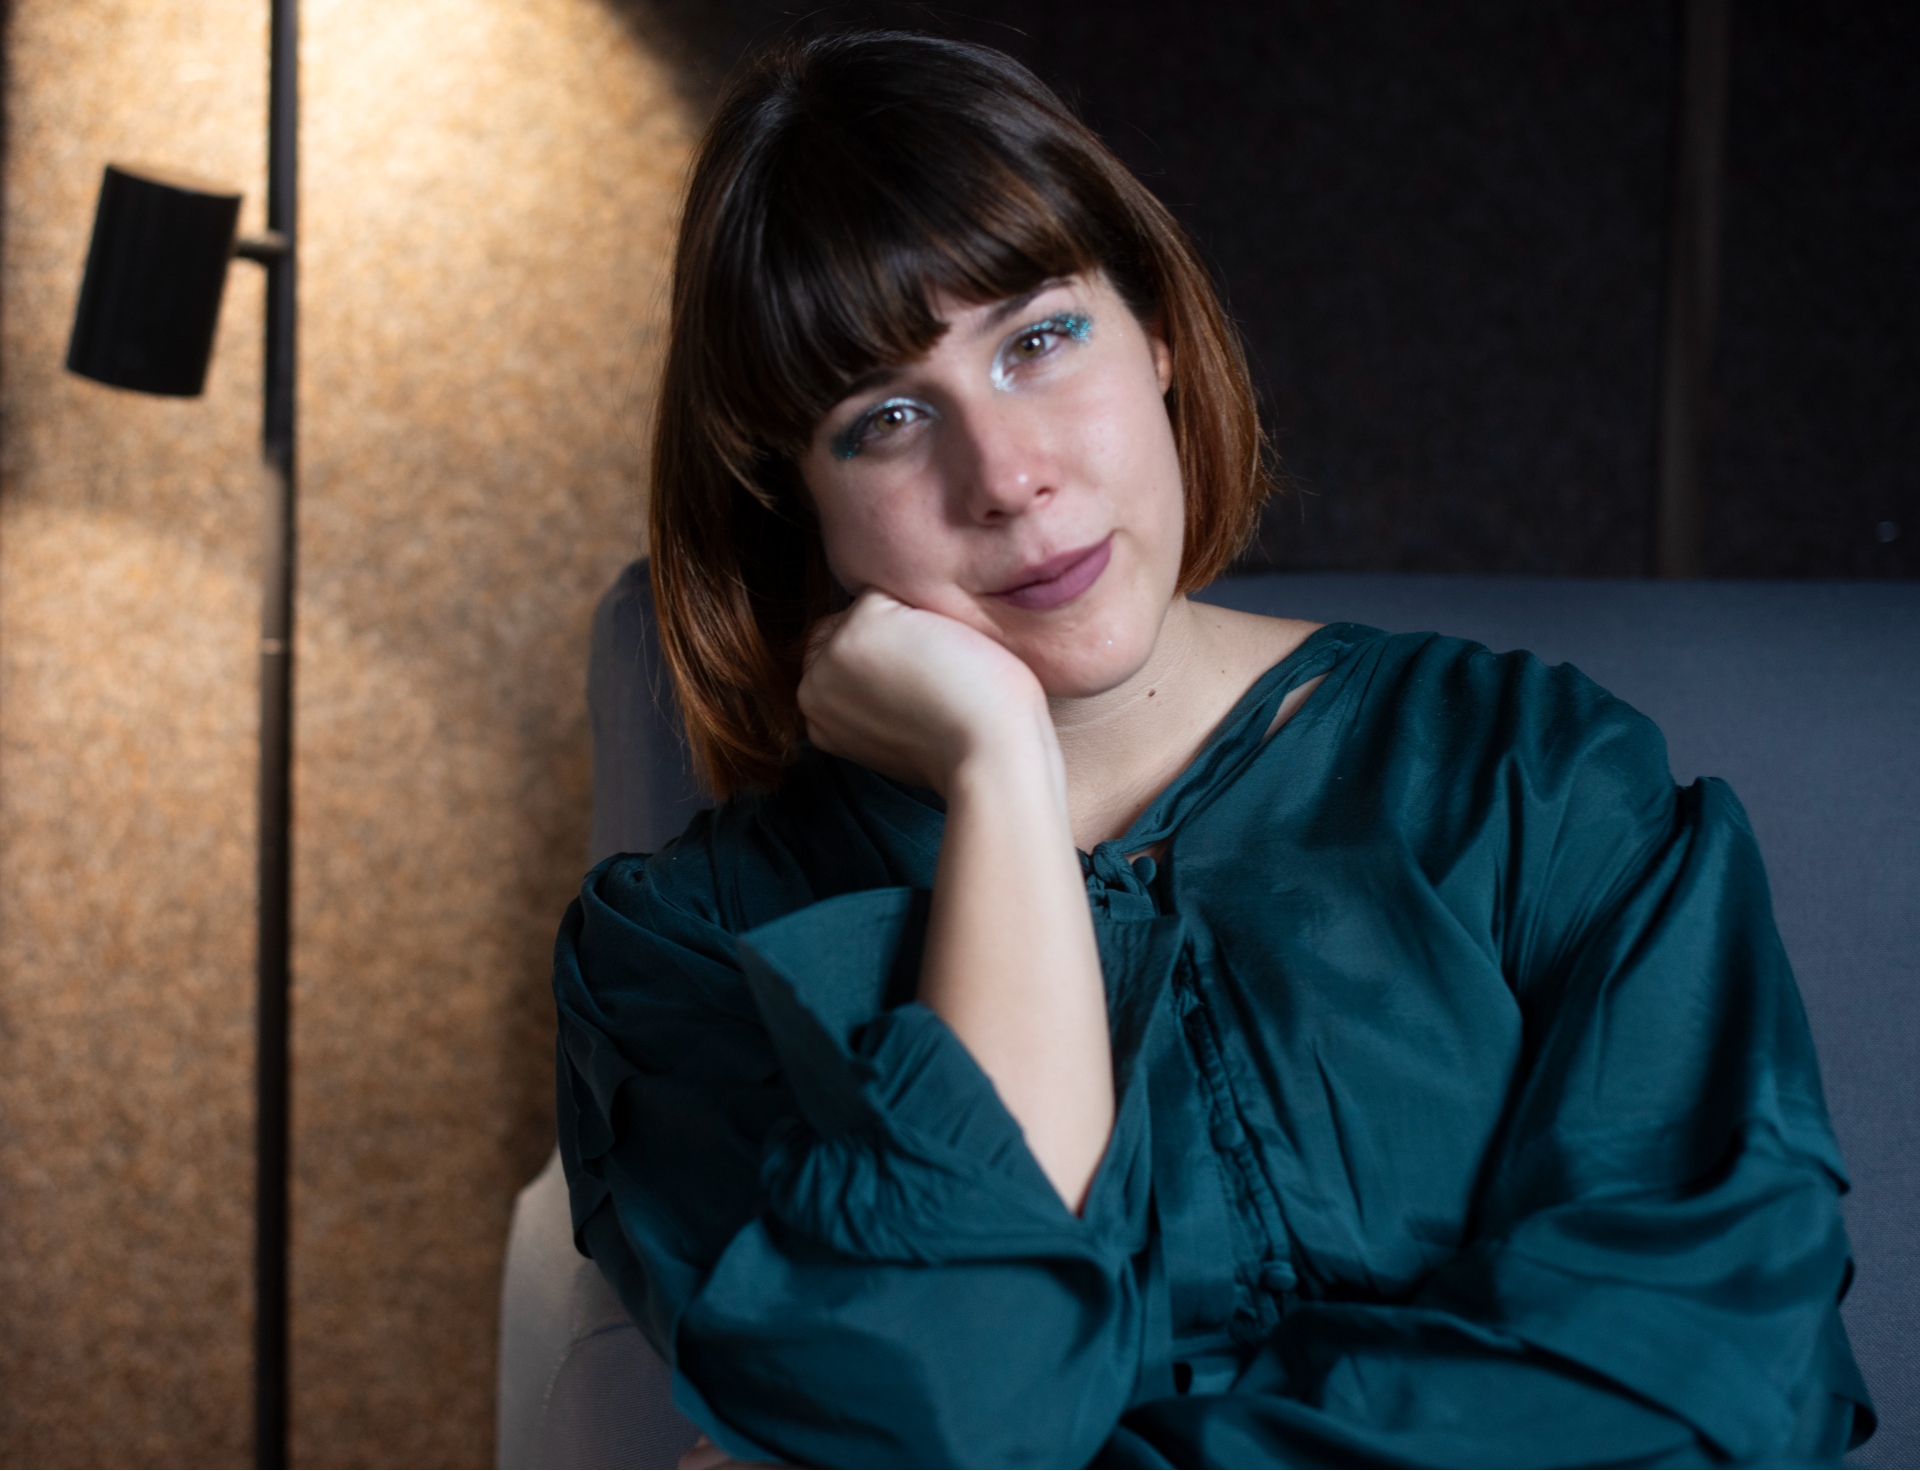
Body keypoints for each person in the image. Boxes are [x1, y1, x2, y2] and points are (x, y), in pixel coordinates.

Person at [552, 30, 1874, 1469]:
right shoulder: (684, 958)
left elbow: (1713, 1371)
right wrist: (999, 773)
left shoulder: (1526, 773)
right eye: (887, 420)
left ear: (1160, 337)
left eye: (1040, 340)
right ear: (791, 498)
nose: (1007, 477)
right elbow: (952, 1402)